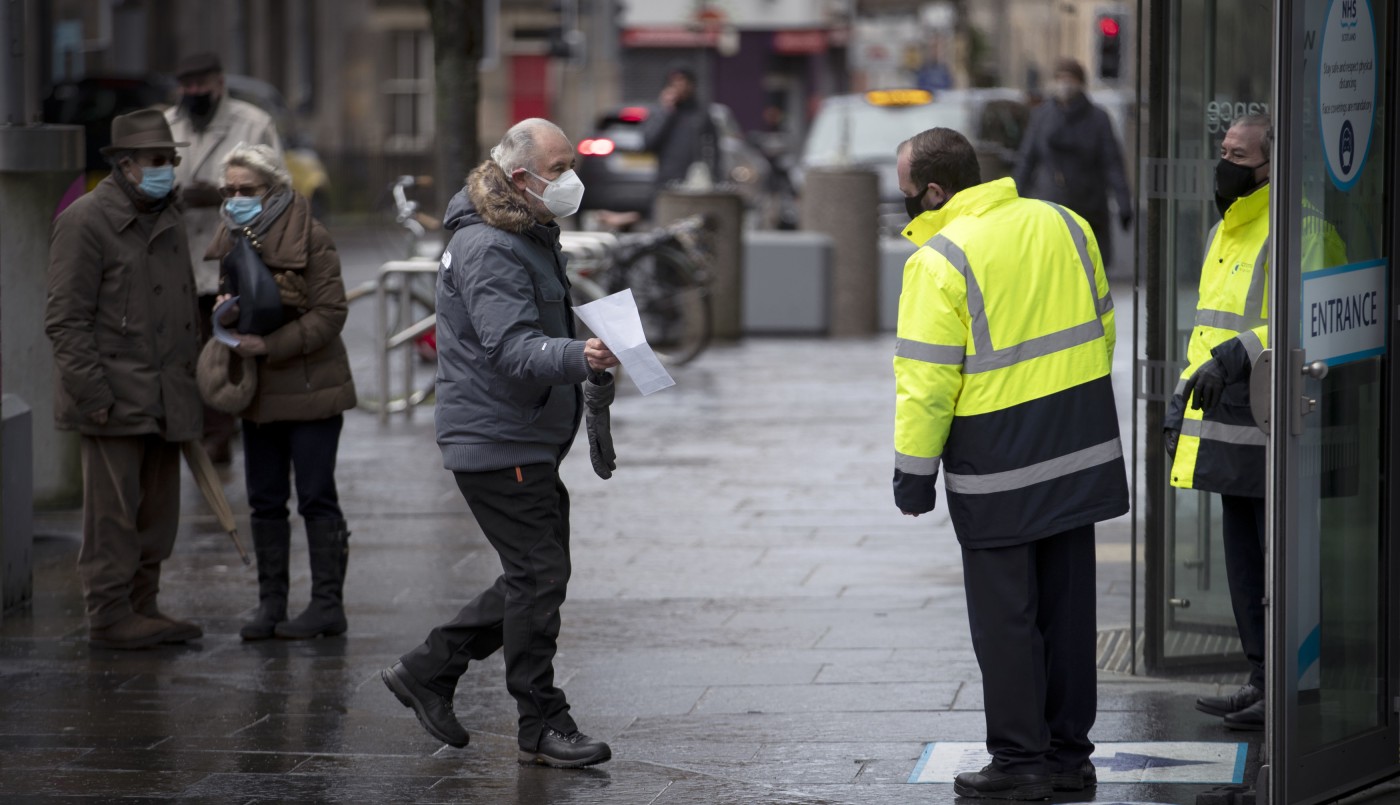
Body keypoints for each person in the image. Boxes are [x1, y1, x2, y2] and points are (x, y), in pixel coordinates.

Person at [893, 127, 1128, 799]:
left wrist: (914, 472)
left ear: (936, 191)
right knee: (1070, 610)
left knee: (1007, 618)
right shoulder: (1066, 222)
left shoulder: (939, 259)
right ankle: (1068, 757)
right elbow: (1103, 324)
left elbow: (927, 380)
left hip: (998, 462)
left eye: (908, 194)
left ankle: (1019, 762)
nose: (906, 205)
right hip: (1079, 446)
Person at [381, 118, 619, 768]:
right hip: (498, 440)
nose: (573, 178)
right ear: (522, 178)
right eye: (562, 166)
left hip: (522, 436)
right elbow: (512, 349)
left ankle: (430, 668)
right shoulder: (489, 245)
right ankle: (541, 721)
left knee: (535, 575)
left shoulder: (525, 229)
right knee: (538, 576)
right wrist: (581, 353)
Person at [1167, 114, 1346, 731]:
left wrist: (1237, 353)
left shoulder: (1304, 228)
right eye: (1222, 150)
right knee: (1244, 560)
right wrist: (1180, 399)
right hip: (1226, 420)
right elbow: (1208, 325)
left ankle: (1290, 685)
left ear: (1273, 163)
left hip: (1279, 421)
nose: (1226, 162)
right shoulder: (1229, 229)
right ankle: (1261, 678)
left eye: (1238, 153)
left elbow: (1310, 321)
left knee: (1279, 561)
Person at [44, 108, 204, 650]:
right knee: (112, 517)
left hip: (165, 392)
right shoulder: (87, 220)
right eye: (156, 161)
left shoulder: (168, 216)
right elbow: (66, 318)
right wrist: (93, 395)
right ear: (125, 164)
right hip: (113, 396)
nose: (166, 169)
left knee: (158, 513)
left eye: (170, 160)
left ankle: (143, 605)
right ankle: (110, 614)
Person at [204, 144, 357, 641]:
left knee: (315, 496)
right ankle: (270, 604)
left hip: (312, 387)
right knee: (264, 499)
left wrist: (268, 344)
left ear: (273, 189)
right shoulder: (230, 237)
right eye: (228, 191)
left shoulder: (310, 234)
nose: (235, 199)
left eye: (246, 190)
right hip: (258, 390)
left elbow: (331, 314)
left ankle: (327, 606)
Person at [165, 52, 282, 463]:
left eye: (201, 85)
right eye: (186, 86)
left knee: (232, 341)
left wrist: (217, 195)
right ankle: (208, 429)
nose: (193, 93)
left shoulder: (252, 123)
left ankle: (227, 428)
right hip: (180, 258)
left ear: (219, 82)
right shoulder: (167, 124)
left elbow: (277, 190)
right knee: (191, 346)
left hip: (235, 258)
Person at [1013, 58, 1132, 269]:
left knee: (1089, 272)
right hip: (1050, 207)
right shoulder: (1042, 116)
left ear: (1080, 83)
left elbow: (1112, 162)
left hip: (1088, 208)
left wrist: (1124, 201)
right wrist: (1014, 196)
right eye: (1060, 79)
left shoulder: (1098, 118)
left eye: (1069, 79)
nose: (1064, 84)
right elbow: (1027, 159)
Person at [642, 67, 719, 194]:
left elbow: (714, 148)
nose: (680, 87)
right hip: (666, 183)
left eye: (683, 82)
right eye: (675, 83)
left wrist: (715, 177)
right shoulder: (661, 112)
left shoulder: (700, 113)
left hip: (696, 183)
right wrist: (667, 112)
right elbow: (648, 143)